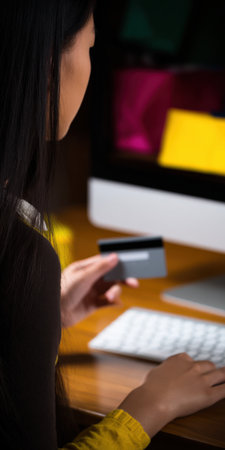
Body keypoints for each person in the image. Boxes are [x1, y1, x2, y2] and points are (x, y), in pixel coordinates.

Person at [0, 1, 225, 449]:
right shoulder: (18, 251)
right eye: (90, 47)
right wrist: (149, 408)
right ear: (49, 64)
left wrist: (44, 318)